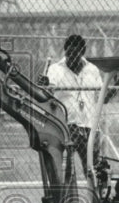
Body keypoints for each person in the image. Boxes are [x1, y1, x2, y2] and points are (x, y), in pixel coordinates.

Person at [41, 33, 111, 173]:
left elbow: (103, 98)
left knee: (92, 170)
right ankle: (67, 194)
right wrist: (43, 87)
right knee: (66, 169)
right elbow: (46, 96)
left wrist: (117, 83)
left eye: (75, 54)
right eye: (68, 53)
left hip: (89, 126)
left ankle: (94, 194)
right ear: (65, 51)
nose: (71, 58)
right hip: (66, 126)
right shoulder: (55, 69)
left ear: (82, 52)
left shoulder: (92, 69)